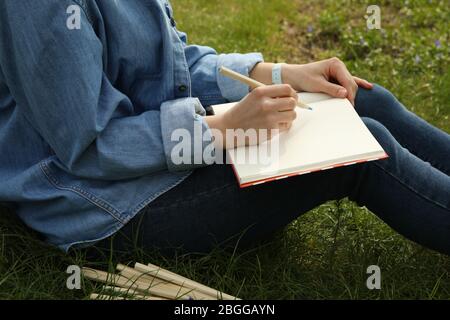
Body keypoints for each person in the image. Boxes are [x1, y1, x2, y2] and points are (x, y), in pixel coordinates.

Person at [0, 0, 448, 257]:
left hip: (148, 151)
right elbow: (90, 146)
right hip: (103, 201)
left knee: (362, 101)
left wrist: (279, 73)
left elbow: (163, 68)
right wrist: (223, 128)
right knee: (361, 153)